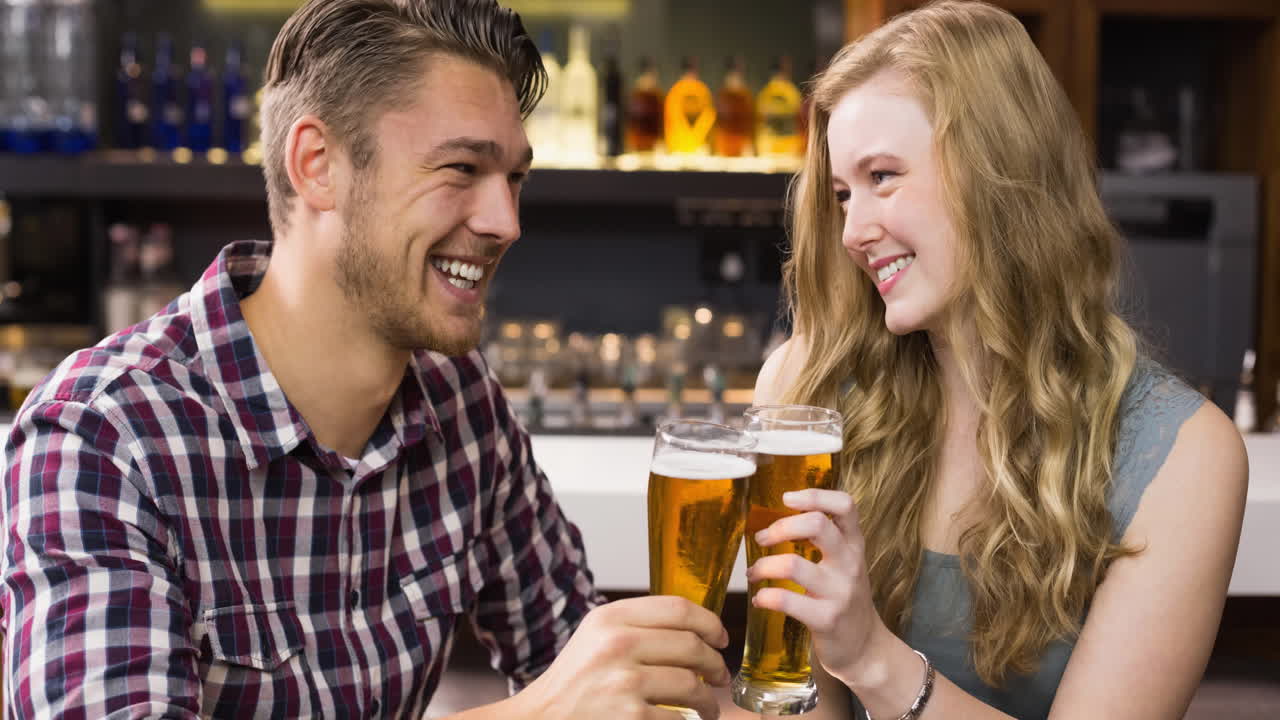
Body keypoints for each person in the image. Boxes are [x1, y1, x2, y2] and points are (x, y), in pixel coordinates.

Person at [0, 1, 732, 718]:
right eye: (461, 168)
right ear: (317, 166)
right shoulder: (100, 436)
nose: (506, 222)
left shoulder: (460, 400)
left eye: (515, 179)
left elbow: (584, 665)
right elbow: (561, 699)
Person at [747, 2, 1249, 719]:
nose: (853, 231)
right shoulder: (805, 390)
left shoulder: (1185, 457)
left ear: (996, 170)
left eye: (883, 176)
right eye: (841, 195)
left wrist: (870, 657)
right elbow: (796, 705)